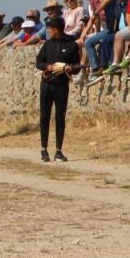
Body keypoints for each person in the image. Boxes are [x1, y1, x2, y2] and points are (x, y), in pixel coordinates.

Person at [34, 15, 81, 161]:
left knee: (60, 118)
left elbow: (77, 67)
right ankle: (44, 149)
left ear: (56, 29)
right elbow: (38, 62)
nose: (49, 31)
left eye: (50, 29)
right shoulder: (48, 44)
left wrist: (68, 68)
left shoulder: (72, 45)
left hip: (61, 86)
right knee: (44, 117)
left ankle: (58, 150)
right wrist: (47, 66)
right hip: (47, 84)